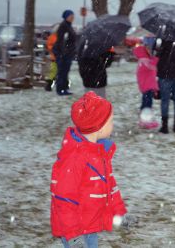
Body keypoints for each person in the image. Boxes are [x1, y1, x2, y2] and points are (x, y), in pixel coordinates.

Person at [50, 92, 136, 248]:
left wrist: (120, 214)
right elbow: (64, 198)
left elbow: (110, 187)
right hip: (76, 230)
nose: (113, 124)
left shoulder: (99, 153)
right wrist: (72, 235)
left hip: (89, 224)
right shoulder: (75, 158)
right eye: (111, 121)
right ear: (99, 127)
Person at [156, 40, 175, 134]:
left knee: (165, 100)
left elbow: (158, 54)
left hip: (165, 73)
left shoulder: (164, 40)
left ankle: (164, 126)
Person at [133, 44, 160, 129]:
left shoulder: (143, 61)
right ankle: (145, 121)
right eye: (146, 50)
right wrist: (157, 57)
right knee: (147, 104)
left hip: (146, 86)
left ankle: (143, 120)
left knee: (145, 103)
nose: (148, 51)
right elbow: (152, 66)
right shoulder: (144, 61)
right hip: (148, 86)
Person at [53, 9, 77, 96]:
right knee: (62, 71)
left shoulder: (69, 26)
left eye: (73, 16)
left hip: (68, 53)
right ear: (66, 17)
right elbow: (62, 41)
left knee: (65, 71)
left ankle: (65, 88)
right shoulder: (64, 26)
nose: (72, 18)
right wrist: (63, 53)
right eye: (71, 16)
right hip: (63, 53)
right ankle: (60, 89)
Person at [44, 24, 59, 91]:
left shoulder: (54, 37)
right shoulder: (53, 37)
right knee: (54, 71)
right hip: (55, 57)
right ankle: (49, 85)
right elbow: (49, 46)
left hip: (56, 57)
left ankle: (50, 84)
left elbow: (49, 46)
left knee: (54, 71)